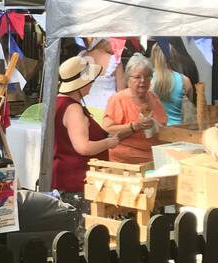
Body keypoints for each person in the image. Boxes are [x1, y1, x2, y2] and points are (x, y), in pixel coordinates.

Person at [53, 55, 146, 210]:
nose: (92, 83)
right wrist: (109, 142)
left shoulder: (59, 102)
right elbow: (83, 147)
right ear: (80, 84)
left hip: (68, 179)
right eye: (90, 80)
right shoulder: (73, 109)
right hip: (77, 182)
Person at [101, 53, 166, 165]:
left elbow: (164, 127)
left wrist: (155, 125)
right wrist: (134, 126)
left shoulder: (153, 98)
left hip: (152, 158)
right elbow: (107, 131)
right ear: (128, 79)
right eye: (137, 77)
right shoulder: (118, 99)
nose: (142, 80)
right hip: (125, 160)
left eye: (147, 76)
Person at [80, 38, 124, 111]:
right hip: (108, 107)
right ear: (105, 42)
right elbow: (121, 91)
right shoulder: (115, 60)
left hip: (84, 105)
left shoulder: (82, 56)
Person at [150, 43, 189, 126]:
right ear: (172, 57)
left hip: (157, 130)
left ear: (153, 57)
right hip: (180, 130)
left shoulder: (148, 80)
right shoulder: (184, 80)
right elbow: (189, 107)